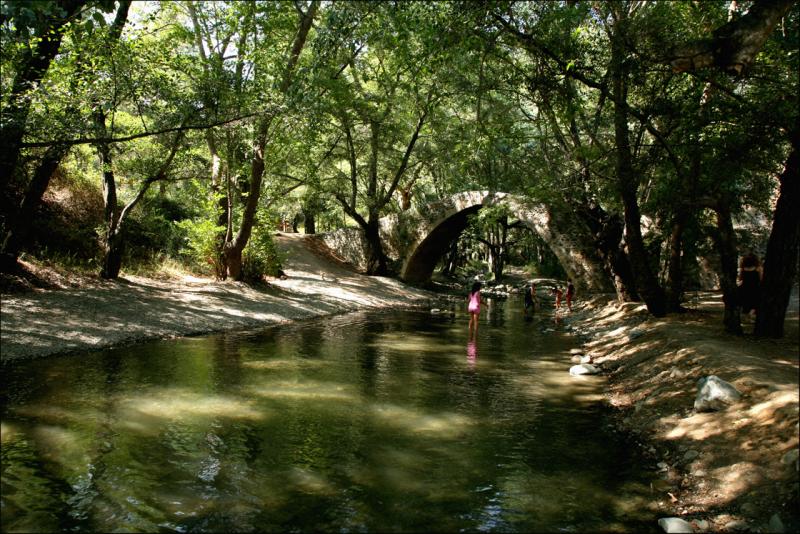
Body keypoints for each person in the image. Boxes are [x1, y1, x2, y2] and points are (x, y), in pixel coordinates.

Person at [738, 252, 762, 318]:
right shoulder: (758, 268)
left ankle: (747, 314)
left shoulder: (743, 269)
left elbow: (740, 278)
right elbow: (761, 278)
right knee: (756, 302)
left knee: (746, 302)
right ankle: (751, 314)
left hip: (745, 287)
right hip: (755, 288)